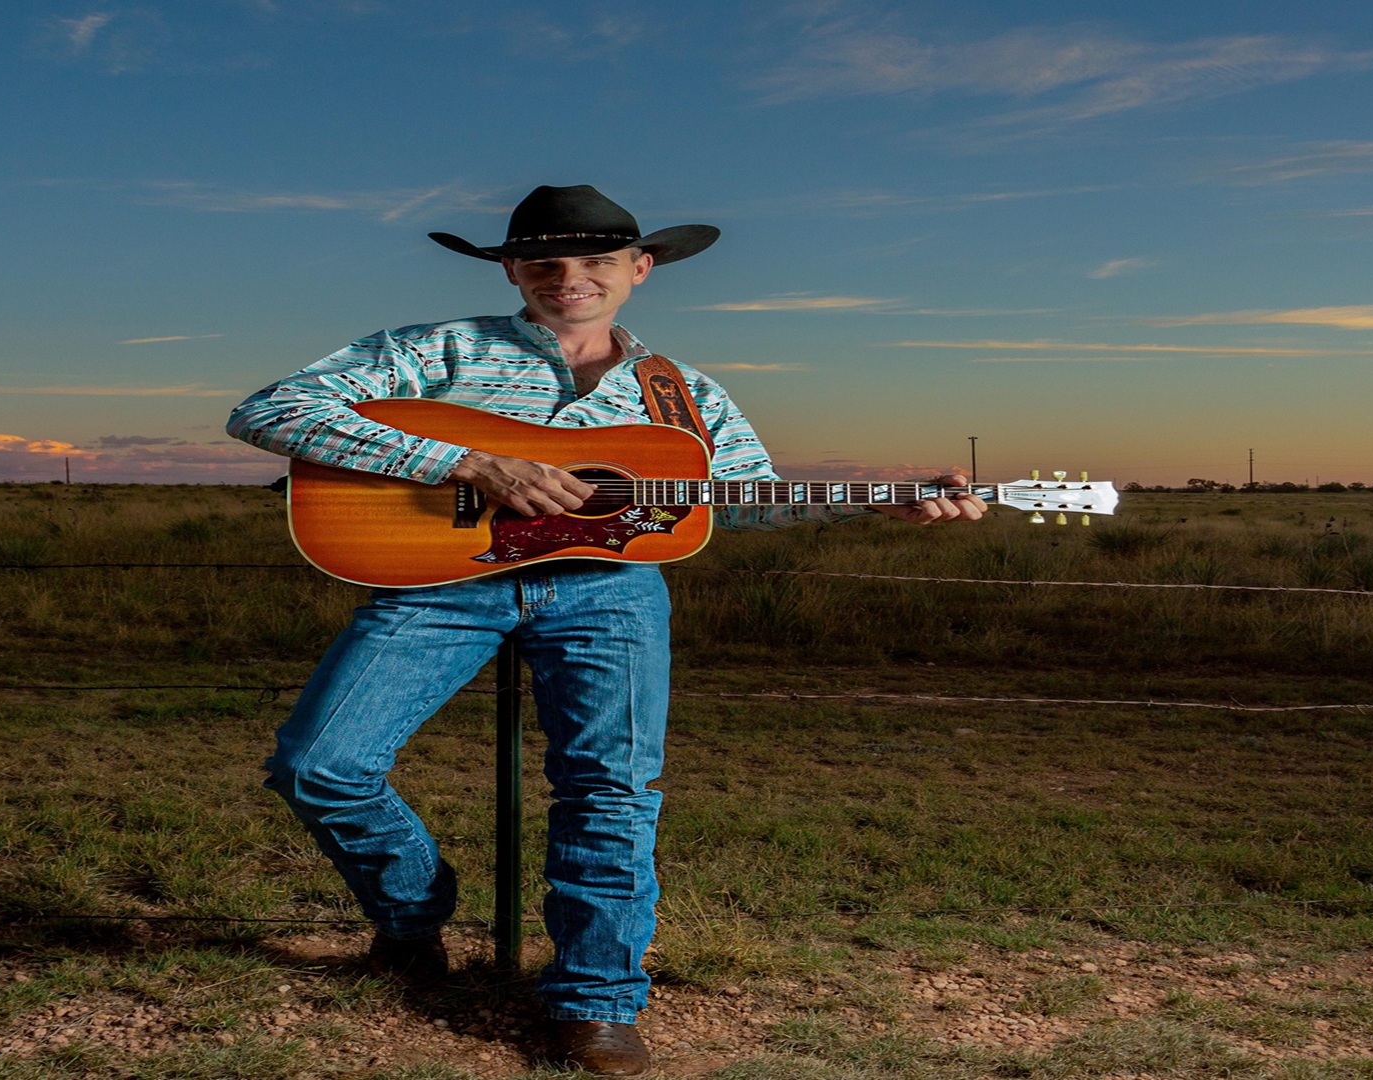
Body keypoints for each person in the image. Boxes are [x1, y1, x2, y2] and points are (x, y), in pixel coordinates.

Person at [226, 185, 984, 1076]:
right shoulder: (434, 350)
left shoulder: (682, 393)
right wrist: (468, 460)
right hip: (438, 585)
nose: (569, 279)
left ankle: (595, 1004)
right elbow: (268, 410)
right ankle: (411, 918)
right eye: (544, 262)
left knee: (610, 790)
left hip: (610, 592)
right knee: (319, 765)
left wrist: (885, 506)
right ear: (512, 269)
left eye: (595, 262)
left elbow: (736, 505)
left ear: (639, 269)